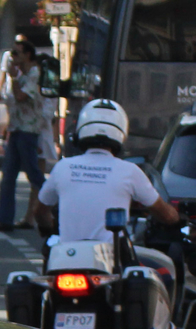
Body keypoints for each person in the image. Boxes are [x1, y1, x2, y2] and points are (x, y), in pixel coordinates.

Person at [30, 98, 176, 264]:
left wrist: (48, 228)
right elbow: (165, 214)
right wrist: (178, 219)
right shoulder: (130, 171)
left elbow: (40, 212)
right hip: (110, 259)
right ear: (122, 132)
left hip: (67, 257)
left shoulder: (63, 167)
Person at [0, 37, 49, 231]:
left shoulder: (34, 74)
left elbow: (20, 97)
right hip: (17, 129)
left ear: (27, 55)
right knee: (8, 176)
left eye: (16, 53)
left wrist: (14, 78)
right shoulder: (21, 75)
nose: (12, 56)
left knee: (33, 174)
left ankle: (58, 206)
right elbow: (14, 104)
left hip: (28, 131)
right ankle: (4, 220)